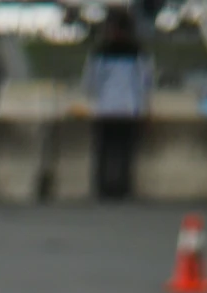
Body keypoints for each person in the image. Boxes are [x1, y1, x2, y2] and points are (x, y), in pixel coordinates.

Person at [85, 8, 151, 203]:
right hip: (129, 109)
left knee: (105, 151)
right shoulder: (138, 54)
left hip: (105, 108)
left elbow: (91, 82)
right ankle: (122, 188)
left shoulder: (100, 53)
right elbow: (145, 83)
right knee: (124, 152)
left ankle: (104, 188)